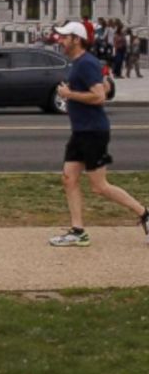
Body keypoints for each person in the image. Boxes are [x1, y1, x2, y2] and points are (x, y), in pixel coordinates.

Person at [48, 21, 149, 248]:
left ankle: (145, 214)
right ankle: (78, 231)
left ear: (76, 39)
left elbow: (99, 97)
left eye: (65, 37)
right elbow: (105, 86)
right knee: (68, 178)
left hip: (93, 132)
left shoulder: (86, 63)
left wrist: (69, 94)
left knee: (99, 186)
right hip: (81, 132)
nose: (60, 40)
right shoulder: (80, 63)